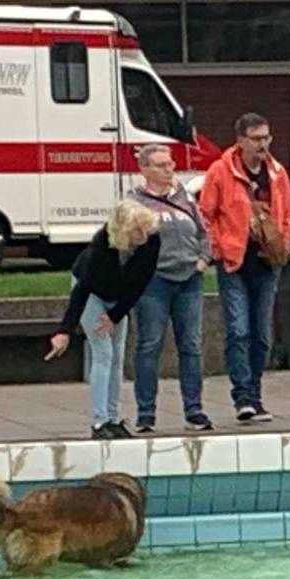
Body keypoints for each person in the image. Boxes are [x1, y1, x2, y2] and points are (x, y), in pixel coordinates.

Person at [199, 112, 290, 424]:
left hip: (267, 263)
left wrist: (283, 244)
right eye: (255, 139)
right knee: (238, 330)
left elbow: (287, 215)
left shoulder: (277, 173)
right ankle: (242, 396)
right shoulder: (220, 172)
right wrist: (217, 248)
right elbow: (206, 214)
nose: (262, 145)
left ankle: (255, 393)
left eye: (266, 137)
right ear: (240, 140)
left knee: (261, 333)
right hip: (234, 262)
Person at [46, 203, 162, 439]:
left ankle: (112, 416)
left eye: (145, 229)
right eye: (136, 230)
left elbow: (140, 283)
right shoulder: (102, 244)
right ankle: (100, 422)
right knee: (103, 352)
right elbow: (83, 288)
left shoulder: (151, 241)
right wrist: (65, 330)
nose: (143, 235)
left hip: (120, 297)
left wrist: (115, 315)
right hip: (93, 294)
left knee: (118, 356)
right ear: (123, 230)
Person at [127, 144, 212, 433]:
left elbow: (203, 231)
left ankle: (194, 410)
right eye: (161, 165)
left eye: (170, 164)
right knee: (149, 345)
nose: (168, 169)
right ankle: (146, 413)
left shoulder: (185, 198)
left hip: (189, 278)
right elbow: (125, 244)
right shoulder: (135, 203)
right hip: (154, 283)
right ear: (145, 169)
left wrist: (202, 259)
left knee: (191, 345)